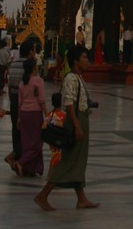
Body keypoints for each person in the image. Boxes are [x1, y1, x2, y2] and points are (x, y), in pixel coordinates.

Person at [34, 45, 99, 212]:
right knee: (68, 160)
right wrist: (77, 127)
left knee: (79, 159)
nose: (87, 61)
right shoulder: (71, 78)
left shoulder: (78, 77)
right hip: (74, 121)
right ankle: (43, 194)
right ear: (76, 61)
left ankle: (81, 199)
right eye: (84, 57)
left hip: (81, 119)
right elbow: (69, 103)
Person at [5, 39, 35, 170]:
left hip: (13, 99)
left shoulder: (13, 64)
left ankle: (17, 160)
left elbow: (11, 85)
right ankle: (17, 157)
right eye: (33, 50)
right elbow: (32, 86)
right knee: (28, 133)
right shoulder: (30, 66)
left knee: (15, 130)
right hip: (25, 101)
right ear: (30, 52)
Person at [14, 56, 47, 177]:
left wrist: (18, 118)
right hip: (35, 114)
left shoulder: (23, 82)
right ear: (34, 68)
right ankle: (21, 163)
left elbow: (20, 102)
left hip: (24, 113)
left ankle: (31, 169)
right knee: (37, 143)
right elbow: (42, 100)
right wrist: (47, 115)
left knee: (27, 142)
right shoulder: (38, 81)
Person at [42, 92, 67, 169]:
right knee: (57, 155)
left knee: (54, 154)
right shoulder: (64, 116)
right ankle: (51, 175)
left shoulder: (50, 114)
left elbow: (43, 126)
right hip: (59, 140)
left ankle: (51, 174)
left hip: (51, 139)